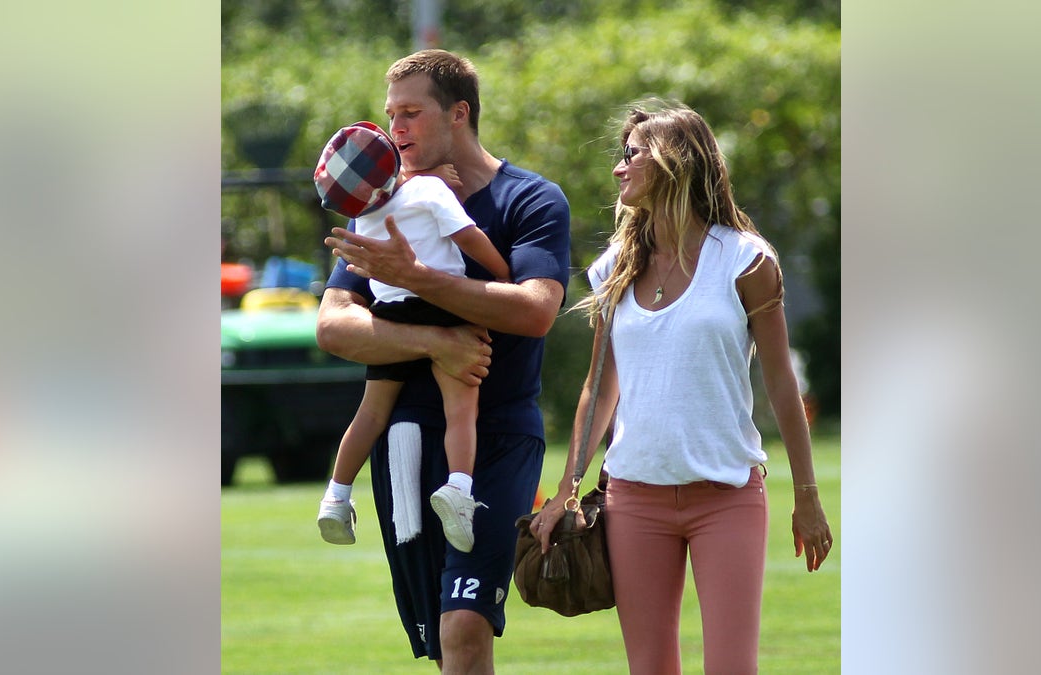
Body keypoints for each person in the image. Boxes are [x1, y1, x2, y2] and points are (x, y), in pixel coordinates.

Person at [530, 100, 833, 675]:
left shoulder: (745, 261)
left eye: (631, 155)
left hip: (727, 497)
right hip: (633, 500)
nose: (619, 169)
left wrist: (808, 495)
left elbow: (780, 381)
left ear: (675, 162)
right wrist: (567, 489)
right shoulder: (614, 266)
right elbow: (599, 390)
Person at [316, 49, 571, 672]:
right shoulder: (381, 202)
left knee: (464, 623)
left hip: (499, 436)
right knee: (438, 639)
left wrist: (420, 278)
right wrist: (433, 342)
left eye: (410, 114)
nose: (394, 130)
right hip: (404, 441)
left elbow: (534, 310)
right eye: (389, 115)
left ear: (459, 114)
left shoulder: (531, 200)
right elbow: (334, 324)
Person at [312, 121, 511, 552]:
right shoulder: (431, 192)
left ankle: (336, 495)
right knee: (461, 407)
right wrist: (503, 274)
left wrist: (422, 179)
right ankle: (458, 489)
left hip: (389, 314)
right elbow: (469, 238)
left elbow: (394, 195)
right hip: (441, 303)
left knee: (369, 414)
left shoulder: (364, 214)